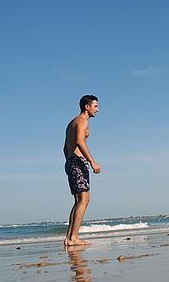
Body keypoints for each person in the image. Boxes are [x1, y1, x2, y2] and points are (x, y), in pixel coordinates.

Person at [63, 95, 102, 246]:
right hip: (77, 163)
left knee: (81, 200)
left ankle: (70, 238)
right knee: (83, 200)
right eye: (95, 106)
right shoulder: (82, 121)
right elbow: (79, 141)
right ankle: (73, 238)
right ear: (87, 106)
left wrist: (69, 160)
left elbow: (65, 147)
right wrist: (92, 162)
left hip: (72, 162)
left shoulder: (72, 122)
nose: (97, 110)